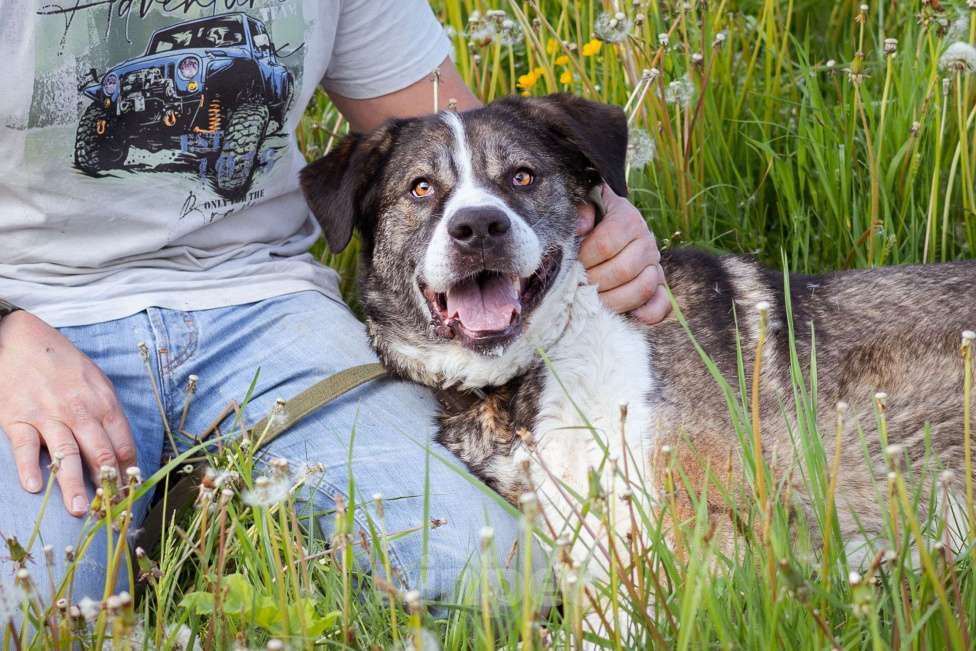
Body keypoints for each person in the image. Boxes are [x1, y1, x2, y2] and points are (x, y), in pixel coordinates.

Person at [0, 1, 669, 603]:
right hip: (35, 327)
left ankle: (208, 494)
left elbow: (460, 135)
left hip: (267, 304)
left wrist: (599, 211)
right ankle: (187, 500)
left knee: (497, 583)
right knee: (28, 616)